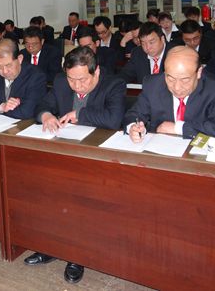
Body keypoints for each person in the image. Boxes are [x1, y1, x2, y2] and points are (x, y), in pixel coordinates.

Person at [26, 46, 126, 284]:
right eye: (72, 79)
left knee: (80, 200)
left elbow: (114, 119)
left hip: (97, 160)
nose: (76, 86)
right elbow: (41, 105)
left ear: (96, 71)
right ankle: (51, 246)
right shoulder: (62, 82)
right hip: (64, 154)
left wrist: (79, 115)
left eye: (82, 80)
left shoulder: (114, 84)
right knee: (43, 190)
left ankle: (76, 255)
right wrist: (46, 115)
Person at [124, 46, 215, 141]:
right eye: (170, 78)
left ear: (199, 72)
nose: (177, 87)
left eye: (185, 80)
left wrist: (178, 128)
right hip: (160, 150)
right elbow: (134, 114)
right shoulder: (153, 84)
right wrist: (133, 127)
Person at [0, 39, 46, 119]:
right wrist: (2, 107)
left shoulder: (35, 76)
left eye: (8, 65)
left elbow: (27, 112)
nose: (5, 71)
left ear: (20, 59)